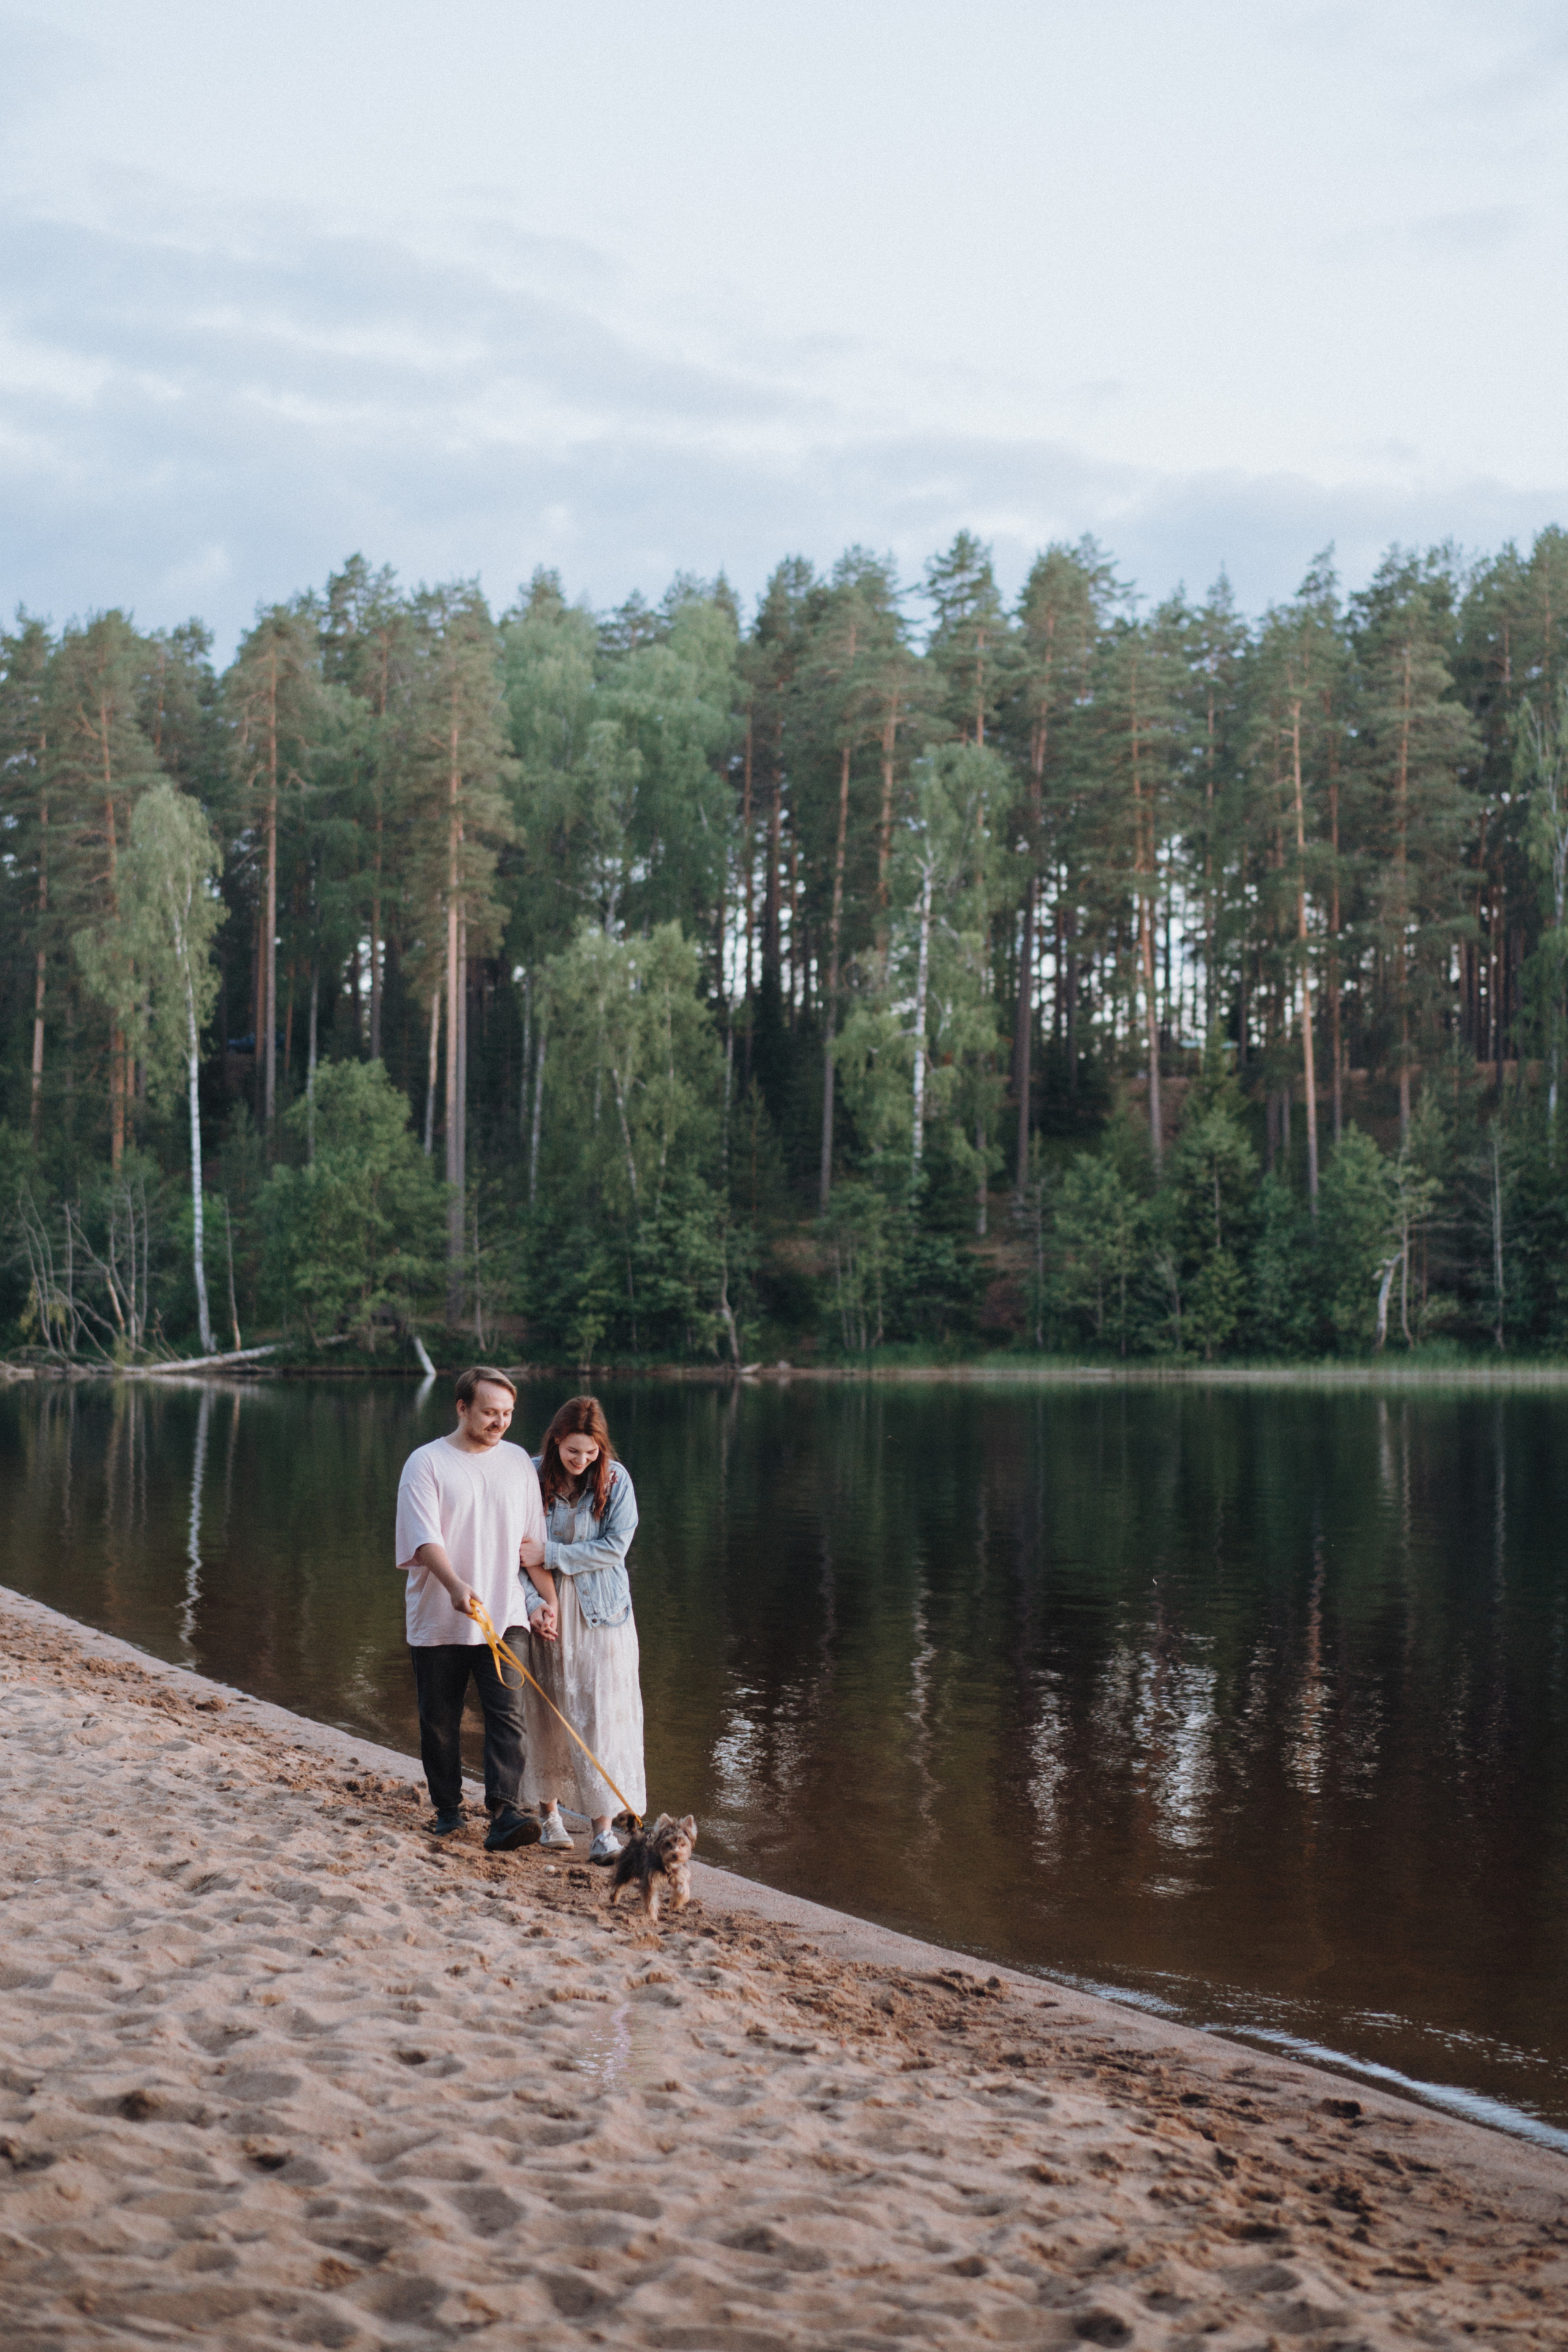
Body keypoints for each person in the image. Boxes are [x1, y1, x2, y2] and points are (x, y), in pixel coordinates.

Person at [394, 1365, 559, 1853]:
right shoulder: (425, 1463)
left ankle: (505, 1814)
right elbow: (424, 1540)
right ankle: (447, 1812)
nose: (500, 1422)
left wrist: (546, 1602)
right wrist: (454, 1585)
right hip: (440, 1615)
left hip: (504, 1615)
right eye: (490, 1412)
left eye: (507, 1414)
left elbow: (532, 1544)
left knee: (508, 1714)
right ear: (462, 1407)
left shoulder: (517, 1464)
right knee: (439, 1719)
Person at [521, 1395, 647, 1866]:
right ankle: (550, 1817)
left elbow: (615, 1547)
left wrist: (550, 1556)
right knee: (548, 1708)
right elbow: (516, 1554)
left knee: (601, 1713)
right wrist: (533, 1602)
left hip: (602, 1615)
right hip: (548, 1610)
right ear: (555, 1441)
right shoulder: (530, 1476)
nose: (582, 1461)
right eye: (573, 1452)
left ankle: (603, 1830)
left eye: (590, 1452)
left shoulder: (616, 1479)